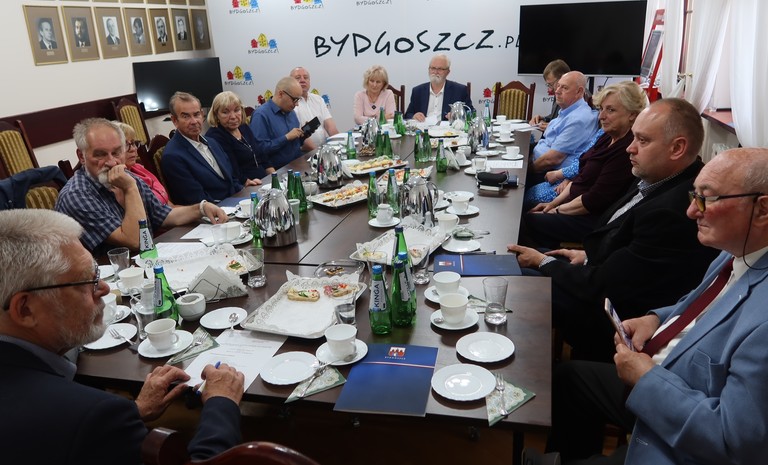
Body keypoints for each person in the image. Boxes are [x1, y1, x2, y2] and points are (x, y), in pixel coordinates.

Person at [545, 148, 768, 465]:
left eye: (706, 199)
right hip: (665, 372)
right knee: (570, 378)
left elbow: (732, 441)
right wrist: (655, 319)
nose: (691, 211)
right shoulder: (736, 251)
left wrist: (646, 379)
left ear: (762, 209)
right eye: (694, 195)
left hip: (684, 431)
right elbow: (695, 304)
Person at [0, 209, 245, 465]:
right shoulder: (91, 415)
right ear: (25, 309)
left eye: (97, 275)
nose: (104, 288)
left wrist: (134, 412)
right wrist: (222, 402)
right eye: (86, 281)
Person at [508, 98, 720, 362]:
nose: (630, 148)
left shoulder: (673, 211)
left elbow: (604, 286)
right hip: (600, 271)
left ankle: (524, 369)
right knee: (512, 262)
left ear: (677, 148)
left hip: (610, 315)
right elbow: (624, 248)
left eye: (642, 140)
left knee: (516, 283)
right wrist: (585, 256)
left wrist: (543, 262)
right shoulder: (658, 176)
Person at [56, 118, 228, 254]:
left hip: (146, 264)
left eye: (116, 152)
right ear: (81, 156)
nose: (111, 162)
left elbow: (165, 215)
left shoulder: (128, 177)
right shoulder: (76, 195)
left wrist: (201, 208)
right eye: (100, 155)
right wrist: (130, 189)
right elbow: (136, 241)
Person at [521, 81, 647, 247]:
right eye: (601, 109)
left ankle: (545, 259)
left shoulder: (626, 150)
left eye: (610, 110)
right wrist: (552, 204)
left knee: (526, 220)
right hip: (573, 205)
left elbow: (593, 200)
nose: (601, 116)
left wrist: (555, 211)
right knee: (525, 213)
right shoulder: (607, 136)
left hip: (591, 218)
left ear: (632, 114)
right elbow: (580, 177)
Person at [161, 92, 244, 205]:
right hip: (213, 211)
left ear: (202, 115)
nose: (194, 121)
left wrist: (245, 195)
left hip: (236, 202)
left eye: (196, 115)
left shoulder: (212, 142)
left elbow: (232, 179)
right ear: (175, 120)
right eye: (186, 116)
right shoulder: (172, 156)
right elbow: (196, 199)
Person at [530, 71, 599, 175]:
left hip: (549, 173)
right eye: (558, 86)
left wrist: (527, 172)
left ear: (579, 91)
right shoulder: (568, 110)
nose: (557, 91)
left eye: (564, 88)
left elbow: (552, 160)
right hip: (540, 163)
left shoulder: (577, 119)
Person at [205, 91, 272, 185]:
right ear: (216, 115)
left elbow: (260, 154)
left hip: (263, 179)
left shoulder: (243, 127)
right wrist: (247, 182)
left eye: (237, 110)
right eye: (225, 112)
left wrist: (273, 175)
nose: (233, 117)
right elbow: (232, 170)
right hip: (244, 186)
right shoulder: (215, 136)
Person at [250, 77, 311, 169]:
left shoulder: (291, 112)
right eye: (295, 100)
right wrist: (286, 138)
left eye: (298, 100)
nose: (297, 104)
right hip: (278, 170)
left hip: (298, 164)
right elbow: (259, 150)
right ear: (281, 94)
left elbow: (294, 144)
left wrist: (303, 136)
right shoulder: (261, 115)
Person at [114, 122, 171, 205]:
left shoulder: (139, 168)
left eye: (133, 143)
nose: (133, 149)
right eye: (125, 145)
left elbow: (167, 203)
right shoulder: (119, 181)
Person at [404, 54, 474, 122]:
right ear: (429, 69)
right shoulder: (418, 91)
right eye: (433, 68)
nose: (435, 72)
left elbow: (471, 112)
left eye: (440, 69)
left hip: (448, 129)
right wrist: (414, 116)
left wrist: (458, 115)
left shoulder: (460, 90)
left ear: (448, 72)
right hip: (423, 128)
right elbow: (408, 114)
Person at [290, 66, 339, 147]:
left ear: (309, 81)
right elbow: (299, 135)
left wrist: (340, 144)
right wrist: (317, 151)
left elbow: (330, 127)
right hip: (305, 151)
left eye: (306, 77)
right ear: (290, 82)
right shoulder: (290, 103)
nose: (302, 80)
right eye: (298, 78)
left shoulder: (318, 99)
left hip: (323, 147)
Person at [529, 59, 571, 131]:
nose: (550, 90)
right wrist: (542, 119)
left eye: (551, 84)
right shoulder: (558, 93)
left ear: (562, 78)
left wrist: (553, 127)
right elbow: (555, 117)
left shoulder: (576, 96)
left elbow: (572, 125)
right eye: (548, 85)